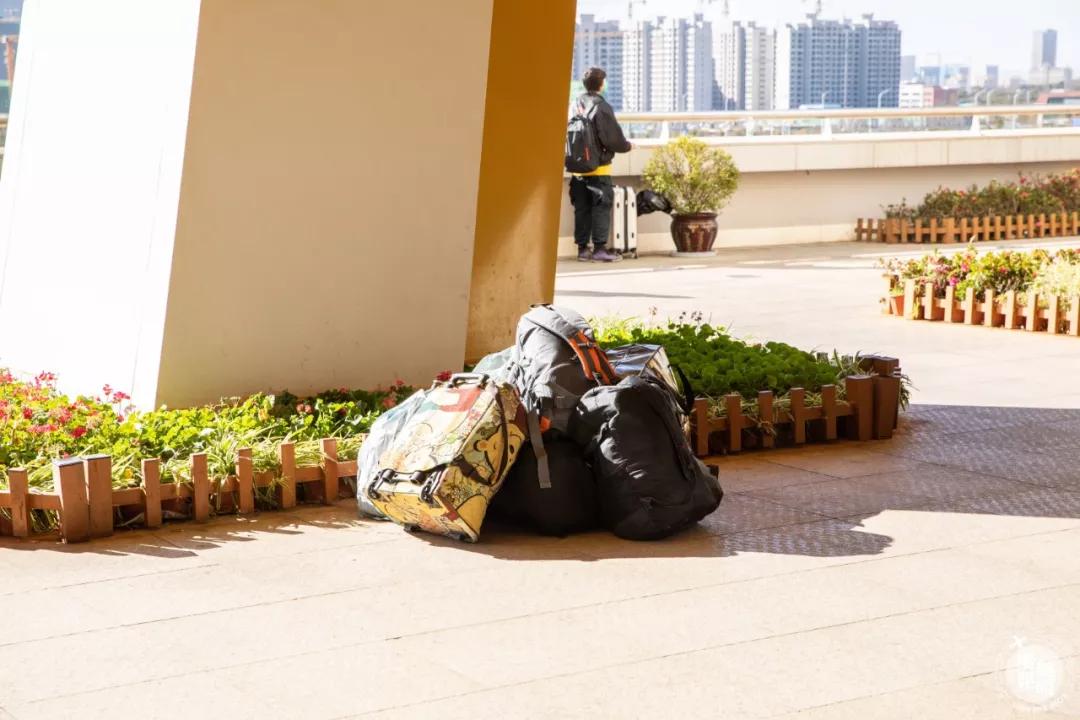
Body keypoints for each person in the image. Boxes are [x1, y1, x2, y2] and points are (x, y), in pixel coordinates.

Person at [569, 67, 633, 263]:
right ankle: (599, 249)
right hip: (598, 167)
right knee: (600, 207)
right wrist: (628, 146)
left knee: (582, 208)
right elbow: (612, 138)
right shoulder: (602, 106)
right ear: (601, 84)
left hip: (577, 167)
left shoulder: (575, 104)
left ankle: (582, 250)